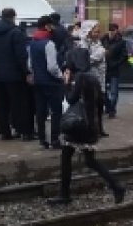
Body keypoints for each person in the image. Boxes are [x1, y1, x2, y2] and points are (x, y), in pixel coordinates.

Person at [49, 45, 125, 206]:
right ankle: (116, 186)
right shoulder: (93, 77)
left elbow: (70, 99)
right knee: (89, 161)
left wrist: (66, 83)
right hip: (91, 125)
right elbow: (101, 102)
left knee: (66, 157)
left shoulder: (80, 78)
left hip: (78, 126)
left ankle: (64, 194)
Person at [0, 7, 33, 140]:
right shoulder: (16, 33)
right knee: (19, 104)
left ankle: (4, 132)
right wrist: (26, 72)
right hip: (14, 76)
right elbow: (21, 55)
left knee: (0, 105)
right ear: (13, 17)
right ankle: (22, 130)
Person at [29, 15, 66, 149]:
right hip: (51, 82)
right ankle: (55, 140)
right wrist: (60, 76)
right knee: (56, 111)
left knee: (40, 111)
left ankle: (42, 139)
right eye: (51, 25)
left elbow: (30, 63)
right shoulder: (48, 44)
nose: (53, 28)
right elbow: (52, 66)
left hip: (38, 82)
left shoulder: (33, 42)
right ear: (46, 26)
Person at [101, 23, 127, 118]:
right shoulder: (102, 40)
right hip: (103, 68)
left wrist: (116, 63)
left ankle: (112, 110)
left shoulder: (120, 42)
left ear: (117, 30)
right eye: (110, 30)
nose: (112, 32)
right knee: (102, 91)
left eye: (114, 30)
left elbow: (124, 56)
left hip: (114, 69)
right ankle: (109, 107)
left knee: (114, 91)